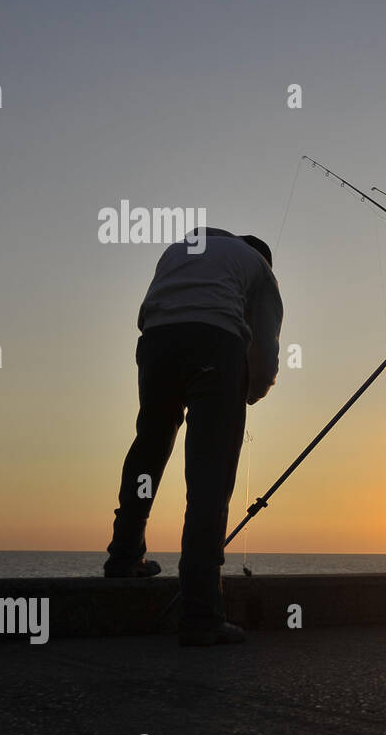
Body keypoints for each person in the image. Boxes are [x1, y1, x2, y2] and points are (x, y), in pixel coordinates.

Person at [104, 227, 283, 646]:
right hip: (215, 344)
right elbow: (265, 347)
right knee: (209, 472)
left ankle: (124, 556)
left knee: (150, 443)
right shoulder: (260, 269)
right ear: (265, 258)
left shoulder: (182, 248)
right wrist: (250, 391)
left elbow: (154, 305)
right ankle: (201, 612)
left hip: (156, 343)